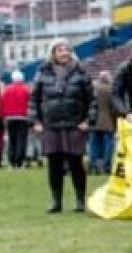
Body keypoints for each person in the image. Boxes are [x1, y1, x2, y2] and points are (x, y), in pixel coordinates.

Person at [31, 39, 92, 213]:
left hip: (75, 124)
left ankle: (80, 200)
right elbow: (33, 99)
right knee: (54, 164)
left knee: (76, 163)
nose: (64, 52)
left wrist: (88, 121)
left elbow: (91, 100)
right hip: (51, 125)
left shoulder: (81, 72)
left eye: (67, 49)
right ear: (53, 53)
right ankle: (56, 201)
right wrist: (35, 121)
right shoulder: (42, 73)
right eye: (60, 50)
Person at [87, 71, 117, 176]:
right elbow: (114, 107)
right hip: (108, 120)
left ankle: (92, 165)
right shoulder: (111, 89)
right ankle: (106, 166)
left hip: (93, 120)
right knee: (108, 144)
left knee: (93, 144)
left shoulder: (93, 89)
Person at [0, 70, 30, 169]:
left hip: (9, 117)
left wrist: (2, 116)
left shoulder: (6, 90)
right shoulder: (26, 90)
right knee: (21, 139)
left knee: (12, 140)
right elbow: (29, 104)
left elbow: (1, 104)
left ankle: (12, 161)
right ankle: (20, 160)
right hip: (23, 117)